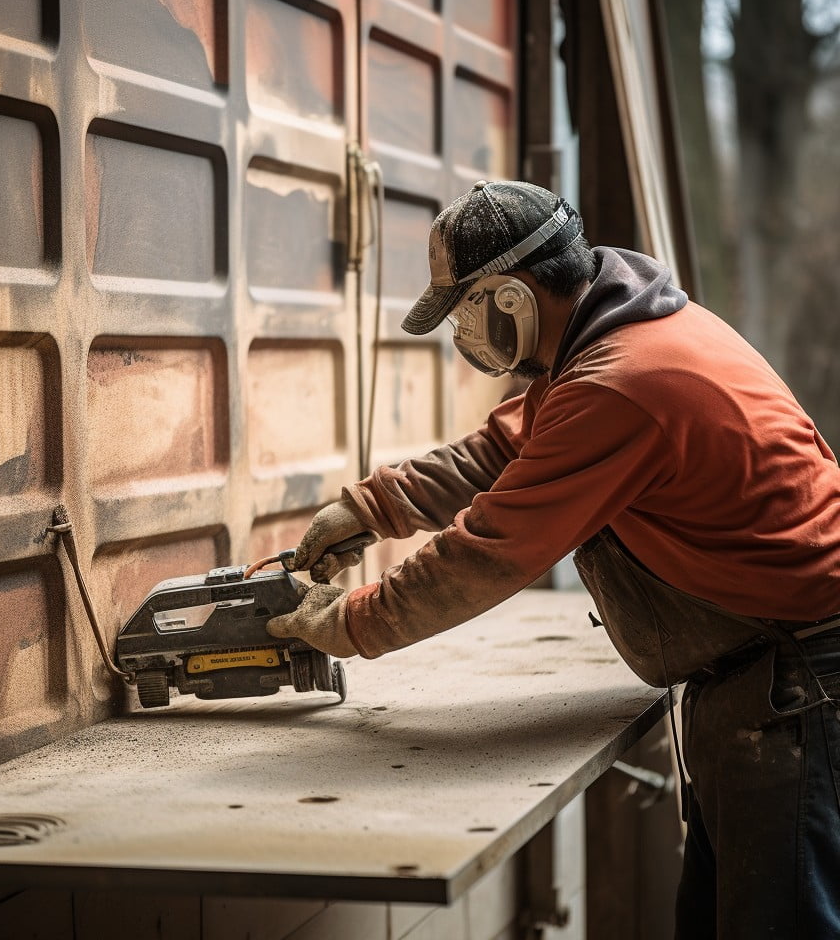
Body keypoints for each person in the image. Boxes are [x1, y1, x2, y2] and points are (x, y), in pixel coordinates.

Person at [266, 180, 840, 939]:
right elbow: (503, 448)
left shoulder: (623, 380)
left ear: (509, 298)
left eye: (462, 311)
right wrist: (370, 509)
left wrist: (347, 623)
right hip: (769, 675)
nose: (460, 336)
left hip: (800, 684)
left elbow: (490, 551)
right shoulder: (615, 335)